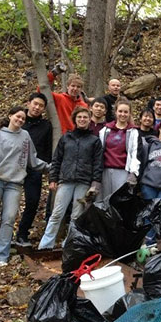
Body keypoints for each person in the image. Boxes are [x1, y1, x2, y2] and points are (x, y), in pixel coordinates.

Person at [0, 106, 48, 266]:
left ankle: (1, 256)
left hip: (15, 184)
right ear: (10, 116)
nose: (20, 120)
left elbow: (33, 160)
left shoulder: (25, 136)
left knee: (9, 218)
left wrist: (52, 168)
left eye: (23, 119)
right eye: (17, 117)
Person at [38, 107, 103, 249]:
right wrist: (53, 179)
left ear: (89, 120)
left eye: (85, 117)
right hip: (65, 180)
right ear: (75, 119)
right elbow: (56, 160)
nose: (82, 120)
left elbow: (98, 164)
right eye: (79, 117)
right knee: (57, 214)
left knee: (76, 216)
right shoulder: (66, 138)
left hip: (84, 182)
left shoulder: (94, 141)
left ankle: (68, 244)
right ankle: (45, 245)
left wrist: (94, 185)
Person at [14, 93, 53, 247]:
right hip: (14, 168)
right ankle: (3, 235)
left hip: (35, 169)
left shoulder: (46, 126)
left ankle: (22, 234)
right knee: (10, 202)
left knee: (32, 201)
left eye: (41, 106)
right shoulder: (18, 120)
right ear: (29, 103)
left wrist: (50, 172)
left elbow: (48, 149)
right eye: (35, 104)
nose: (37, 108)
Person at [97, 99, 141, 201]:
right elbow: (99, 151)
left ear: (130, 113)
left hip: (123, 171)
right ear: (116, 112)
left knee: (118, 202)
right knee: (104, 201)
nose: (123, 114)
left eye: (126, 112)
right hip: (105, 170)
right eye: (120, 111)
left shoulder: (133, 132)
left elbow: (135, 153)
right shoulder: (105, 130)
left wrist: (133, 173)